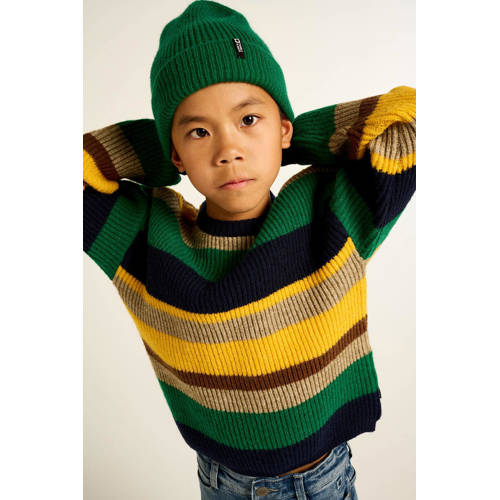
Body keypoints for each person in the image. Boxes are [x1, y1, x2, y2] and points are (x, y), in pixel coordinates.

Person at [83, 1, 415, 498]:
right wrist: (164, 148)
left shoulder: (329, 214)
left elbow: (409, 122)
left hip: (322, 480)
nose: (228, 150)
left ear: (283, 126)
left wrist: (293, 139)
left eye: (249, 119)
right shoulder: (146, 238)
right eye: (199, 132)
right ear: (175, 153)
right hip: (221, 482)